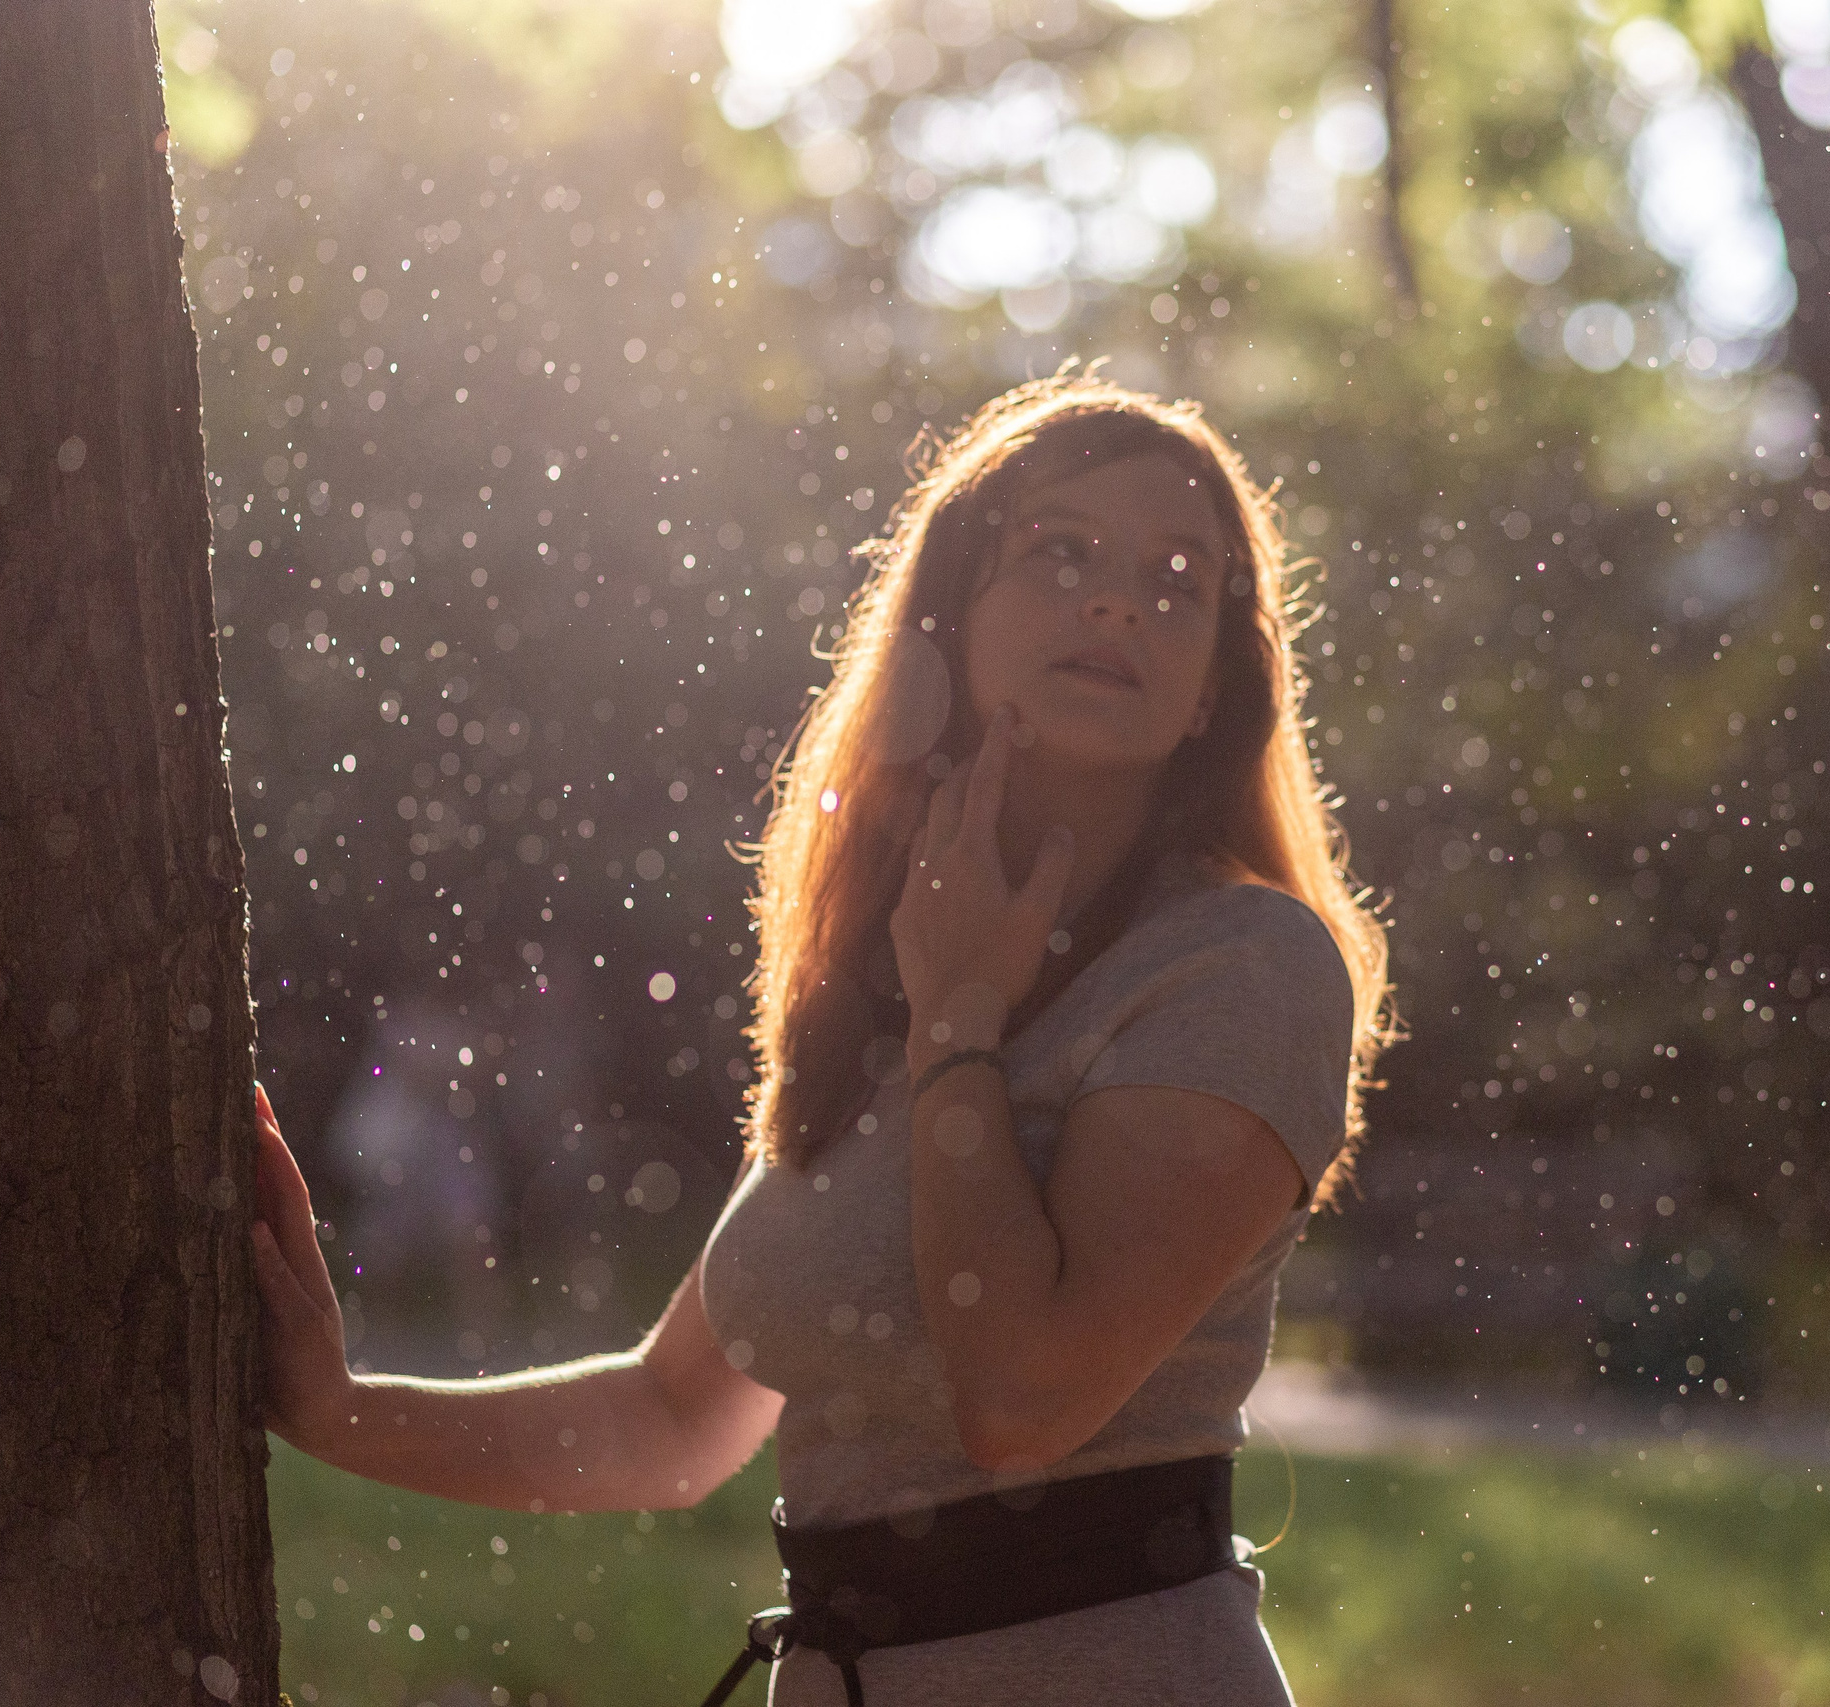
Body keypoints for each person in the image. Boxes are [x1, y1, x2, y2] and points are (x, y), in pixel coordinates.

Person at [251, 371, 1395, 1705]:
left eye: (1177, 580)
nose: (1115, 602)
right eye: (1059, 551)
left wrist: (961, 1025)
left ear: (1209, 692)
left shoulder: (1242, 965)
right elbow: (671, 1418)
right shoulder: (884, 987)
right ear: (946, 620)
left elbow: (1020, 1402)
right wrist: (334, 1409)